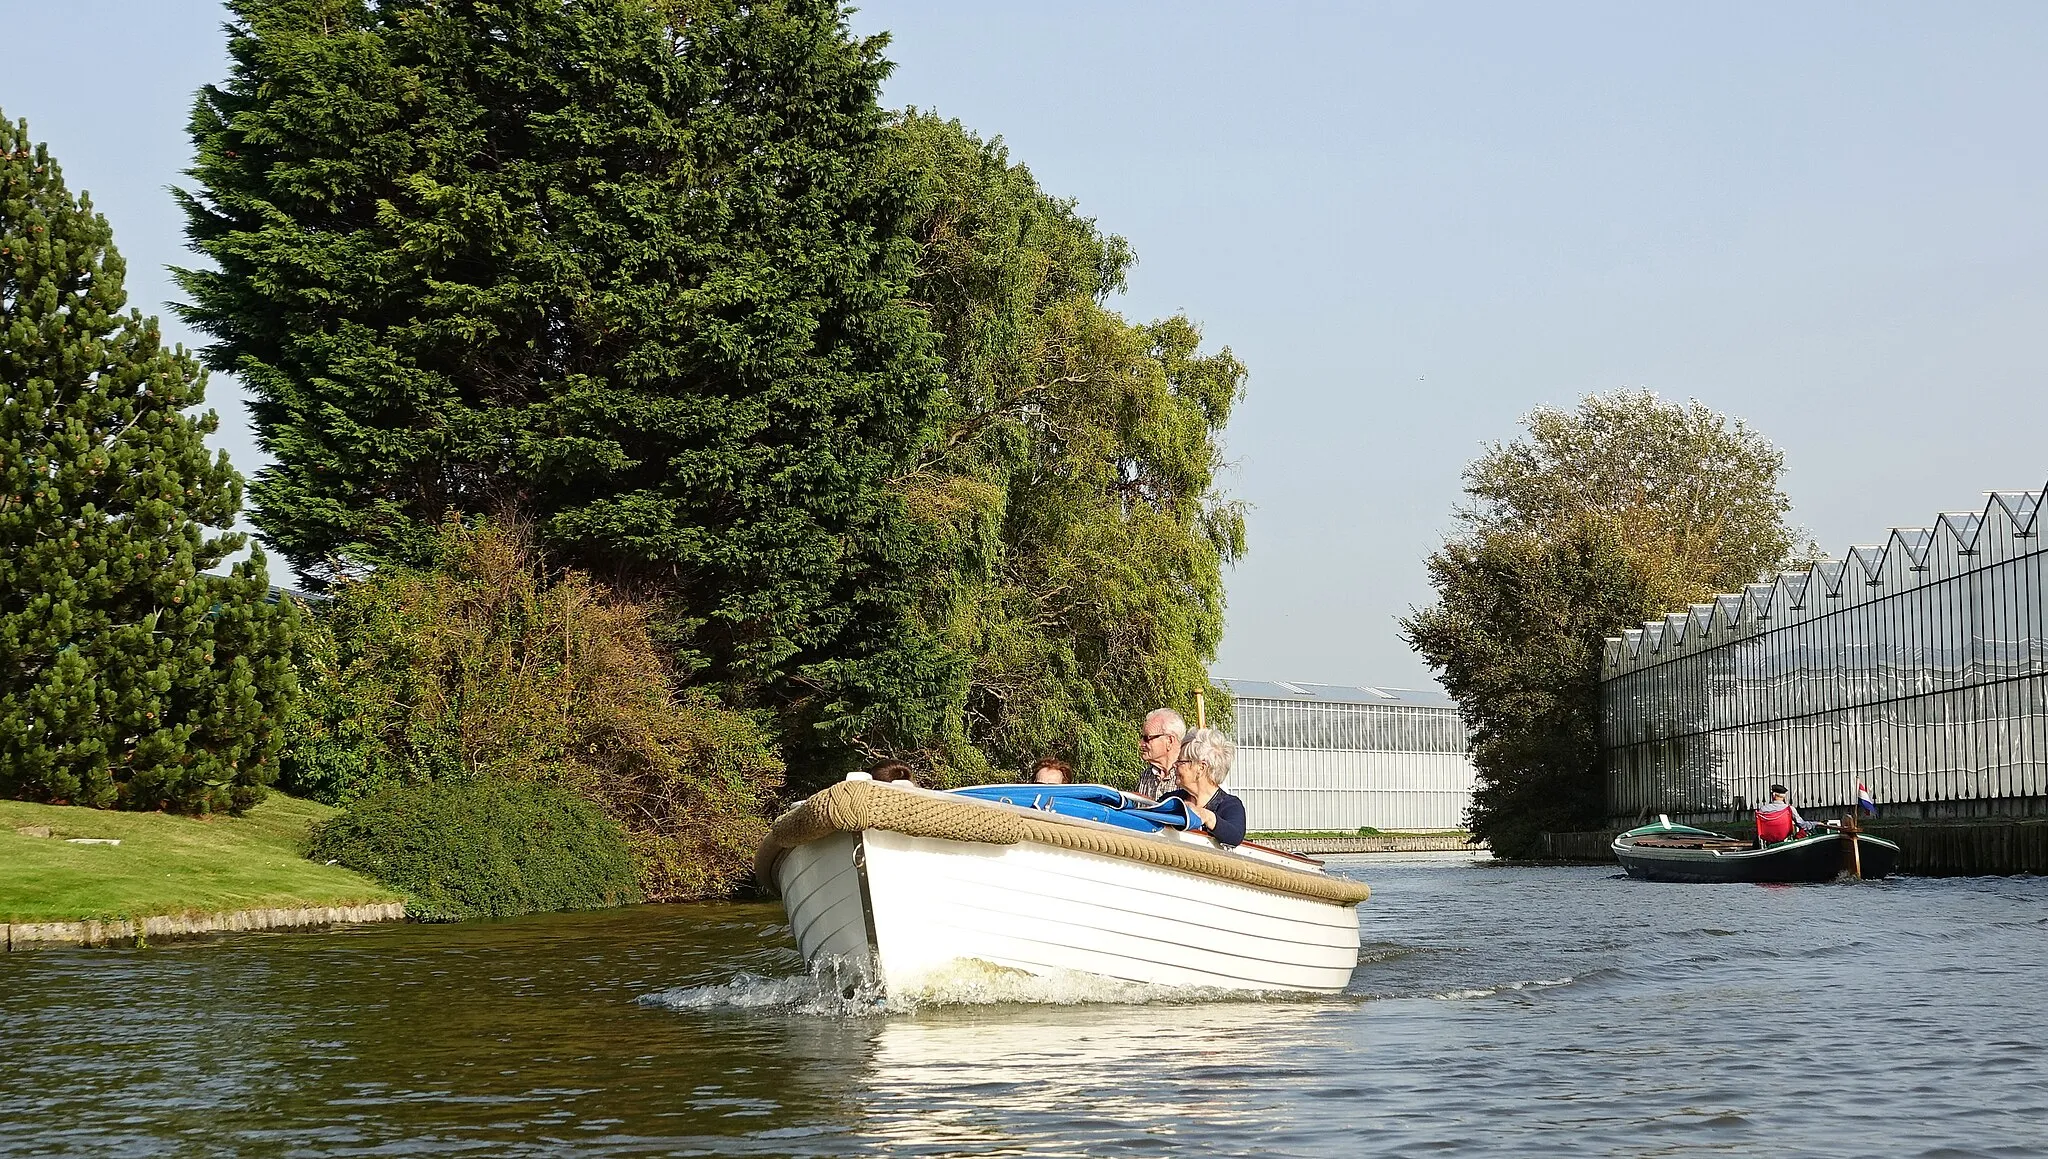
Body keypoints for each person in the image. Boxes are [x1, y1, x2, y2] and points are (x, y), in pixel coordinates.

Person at [1164, 727, 1247, 848]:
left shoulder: (1230, 805)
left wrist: (1206, 816)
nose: (1174, 765)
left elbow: (1235, 836)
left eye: (1180, 762)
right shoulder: (1172, 800)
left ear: (1201, 768)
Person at [1137, 708, 1185, 800]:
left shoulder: (1188, 777)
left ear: (1169, 741)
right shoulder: (1147, 775)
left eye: (1147, 738)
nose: (1141, 743)